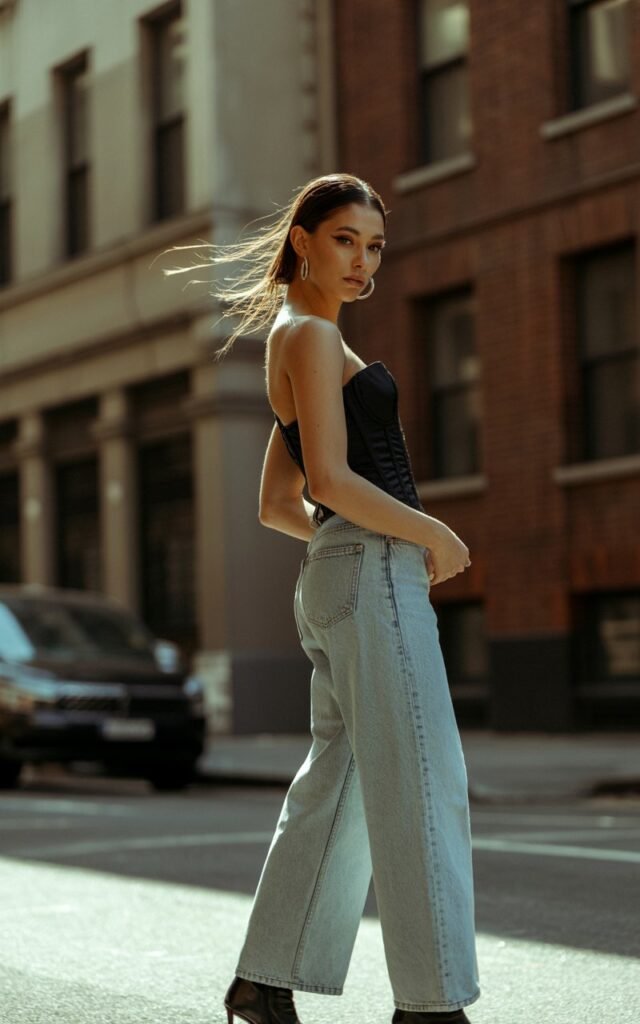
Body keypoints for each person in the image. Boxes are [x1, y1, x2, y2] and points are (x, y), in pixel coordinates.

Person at [163, 173, 481, 1024]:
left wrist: (355, 547)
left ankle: (264, 982)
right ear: (303, 239)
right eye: (346, 239)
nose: (363, 260)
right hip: (369, 576)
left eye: (374, 245)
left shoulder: (295, 340)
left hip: (339, 578)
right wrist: (425, 535)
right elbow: (335, 479)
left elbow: (280, 502)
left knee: (338, 786)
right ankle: (431, 1004)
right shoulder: (308, 338)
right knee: (422, 778)